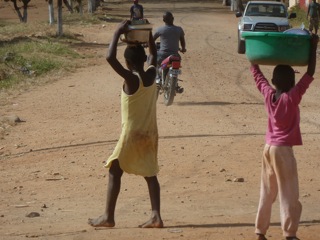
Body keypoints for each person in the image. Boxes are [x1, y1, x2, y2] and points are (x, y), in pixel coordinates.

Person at [88, 20, 163, 229]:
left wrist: (116, 32)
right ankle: (156, 215)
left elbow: (109, 57)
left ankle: (108, 216)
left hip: (131, 133)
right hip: (149, 132)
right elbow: (154, 56)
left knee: (114, 170)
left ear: (128, 63)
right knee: (150, 173)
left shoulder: (131, 79)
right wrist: (148, 34)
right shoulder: (150, 75)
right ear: (142, 60)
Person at [250, 34, 318, 240]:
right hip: (283, 150)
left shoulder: (268, 94)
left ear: (274, 81)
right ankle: (289, 233)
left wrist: (252, 52)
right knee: (289, 193)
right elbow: (311, 73)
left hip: (268, 147)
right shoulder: (292, 97)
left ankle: (260, 231)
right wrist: (313, 46)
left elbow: (257, 75)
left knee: (267, 192)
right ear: (292, 82)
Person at [153, 11, 186, 93]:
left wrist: (147, 44)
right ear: (173, 19)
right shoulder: (179, 29)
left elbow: (151, 39)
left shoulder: (160, 29)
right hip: (175, 55)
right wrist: (183, 48)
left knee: (153, 60)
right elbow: (182, 41)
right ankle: (176, 84)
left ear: (163, 20)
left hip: (162, 55)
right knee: (177, 64)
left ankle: (157, 79)